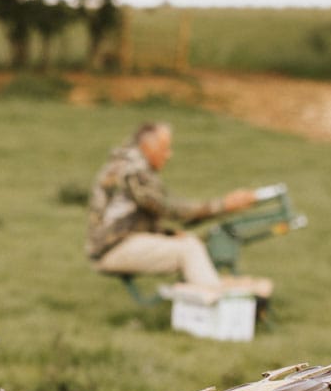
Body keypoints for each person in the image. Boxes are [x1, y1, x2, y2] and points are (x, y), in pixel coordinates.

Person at [84, 121, 257, 290]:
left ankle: (204, 303)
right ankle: (218, 307)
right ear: (147, 146)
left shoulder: (126, 164)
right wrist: (224, 205)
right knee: (188, 249)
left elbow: (134, 218)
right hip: (111, 250)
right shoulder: (133, 170)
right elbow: (168, 209)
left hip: (114, 245)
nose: (169, 154)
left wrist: (168, 234)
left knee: (188, 242)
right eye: (164, 148)